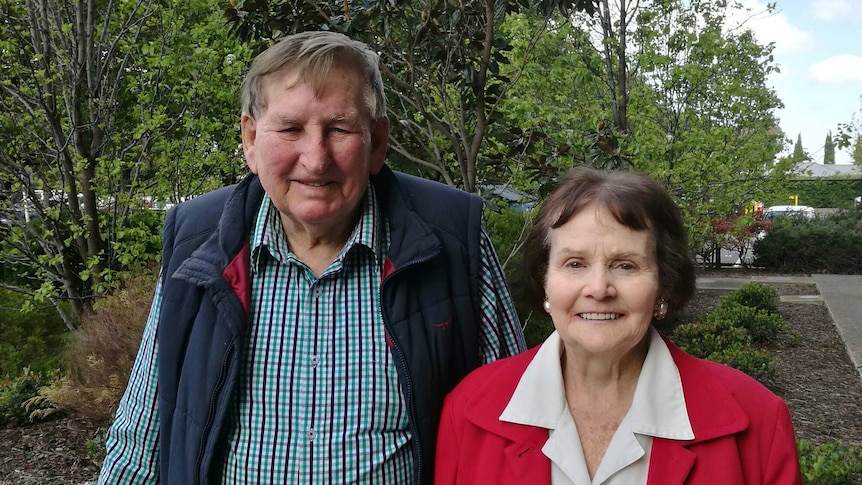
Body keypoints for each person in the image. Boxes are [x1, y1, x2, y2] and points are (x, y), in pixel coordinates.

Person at [97, 31, 526, 485]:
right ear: (249, 140)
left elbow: (512, 426)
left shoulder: (452, 237)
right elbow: (142, 441)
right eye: (290, 129)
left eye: (339, 128)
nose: (316, 159)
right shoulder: (198, 242)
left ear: (377, 141)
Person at [434, 167, 802, 484]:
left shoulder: (758, 422)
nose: (598, 289)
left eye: (625, 265)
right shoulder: (468, 412)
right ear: (543, 278)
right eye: (574, 263)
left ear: (664, 284)